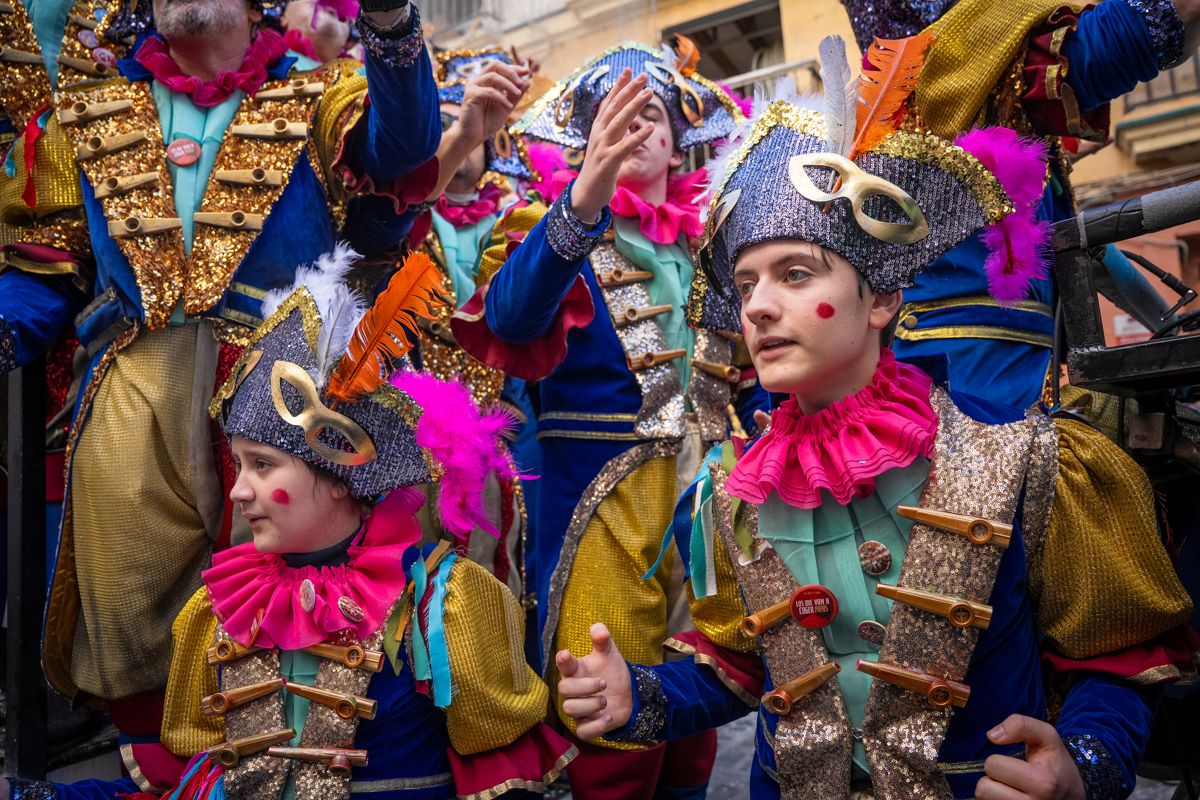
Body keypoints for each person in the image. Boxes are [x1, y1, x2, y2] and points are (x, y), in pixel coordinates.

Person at [556, 41, 1196, 800]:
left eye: (796, 275)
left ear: (884, 298)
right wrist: (641, 696)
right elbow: (745, 668)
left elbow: (1111, 659)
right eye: (748, 281)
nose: (758, 305)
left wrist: (1082, 764)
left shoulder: (1026, 458)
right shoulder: (735, 492)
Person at [0, 0, 443, 788]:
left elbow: (402, 146)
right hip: (134, 397)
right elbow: (43, 269)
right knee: (132, 614)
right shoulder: (79, 113)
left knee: (290, 605)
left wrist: (389, 18)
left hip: (281, 404)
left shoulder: (321, 94)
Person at [1, 247, 575, 800]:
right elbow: (188, 787)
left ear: (337, 474)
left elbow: (501, 778)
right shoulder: (217, 611)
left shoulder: (441, 604)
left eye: (263, 464)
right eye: (240, 462)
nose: (238, 489)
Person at [451, 39, 765, 799]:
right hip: (602, 506)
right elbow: (512, 318)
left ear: (679, 139)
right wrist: (581, 204)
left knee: (700, 695)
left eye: (650, 113)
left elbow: (757, 373)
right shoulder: (544, 221)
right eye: (609, 117)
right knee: (605, 717)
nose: (632, 129)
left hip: (712, 502)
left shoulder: (716, 239)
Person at [835, 0, 1200, 408]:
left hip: (1016, 397)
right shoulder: (970, 66)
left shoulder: (989, 125)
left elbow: (1080, 246)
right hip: (965, 414)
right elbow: (1137, 31)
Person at [407, 46, 536, 597]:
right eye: (444, 126)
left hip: (505, 425)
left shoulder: (522, 213)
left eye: (466, 123)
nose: (458, 137)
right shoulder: (398, 218)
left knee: (503, 561)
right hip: (411, 425)